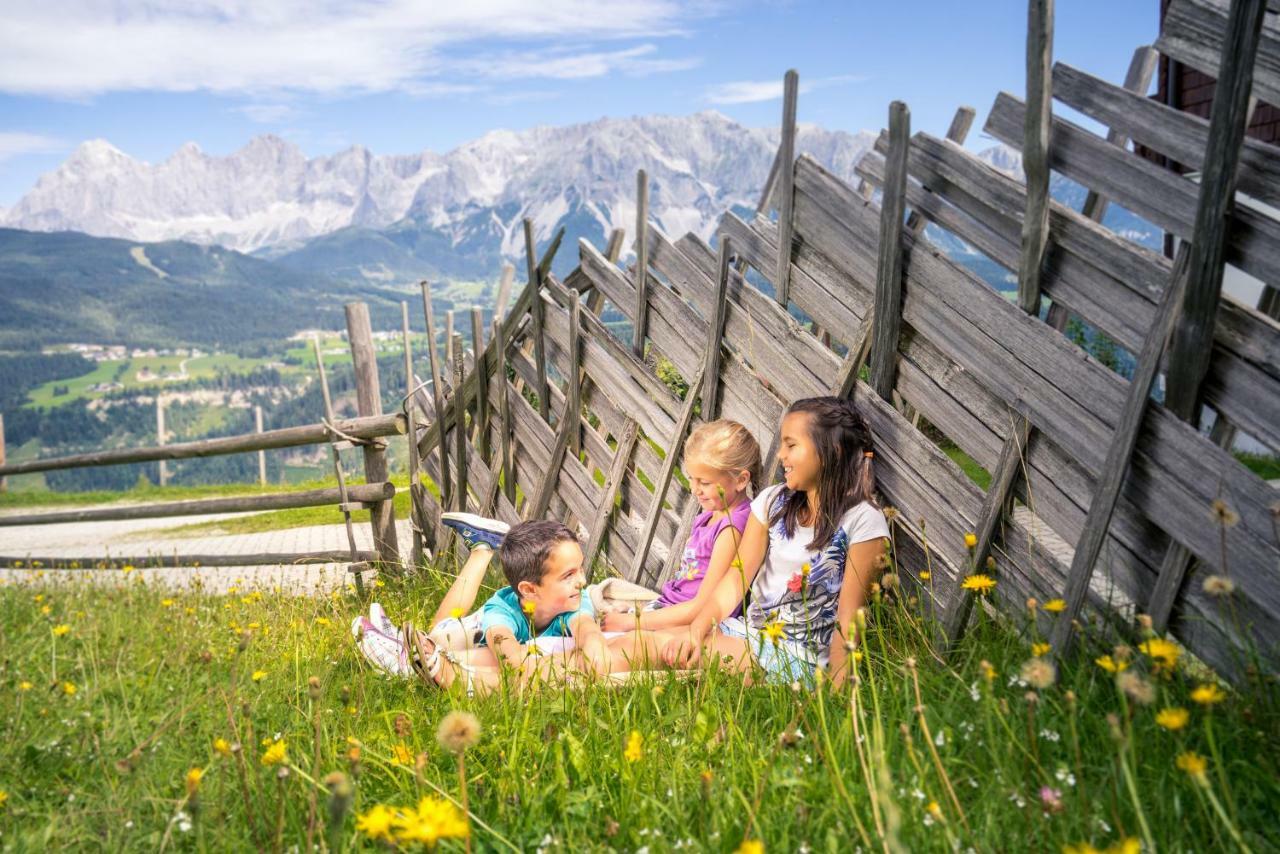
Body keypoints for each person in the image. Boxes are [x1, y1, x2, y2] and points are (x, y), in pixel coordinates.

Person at [659, 396, 889, 687]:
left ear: (832, 450)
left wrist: (837, 695)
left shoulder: (863, 521)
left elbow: (849, 619)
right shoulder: (772, 501)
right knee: (652, 641)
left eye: (791, 445)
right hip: (746, 634)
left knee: (668, 649)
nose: (781, 454)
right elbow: (734, 581)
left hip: (797, 658)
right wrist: (696, 629)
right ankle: (584, 671)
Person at [358, 518, 611, 694]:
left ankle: (402, 647)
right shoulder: (502, 611)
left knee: (441, 644)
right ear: (529, 590)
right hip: (478, 629)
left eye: (581, 568)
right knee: (439, 633)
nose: (583, 581)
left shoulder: (575, 599)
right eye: (569, 574)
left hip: (507, 635)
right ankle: (482, 549)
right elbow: (505, 649)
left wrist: (594, 645)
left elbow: (586, 627)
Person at [602, 419, 760, 633]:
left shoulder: (732, 529)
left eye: (704, 483)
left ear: (741, 480)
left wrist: (632, 622)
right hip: (672, 608)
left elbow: (704, 606)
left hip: (692, 622)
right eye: (691, 479)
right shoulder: (712, 516)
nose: (695, 490)